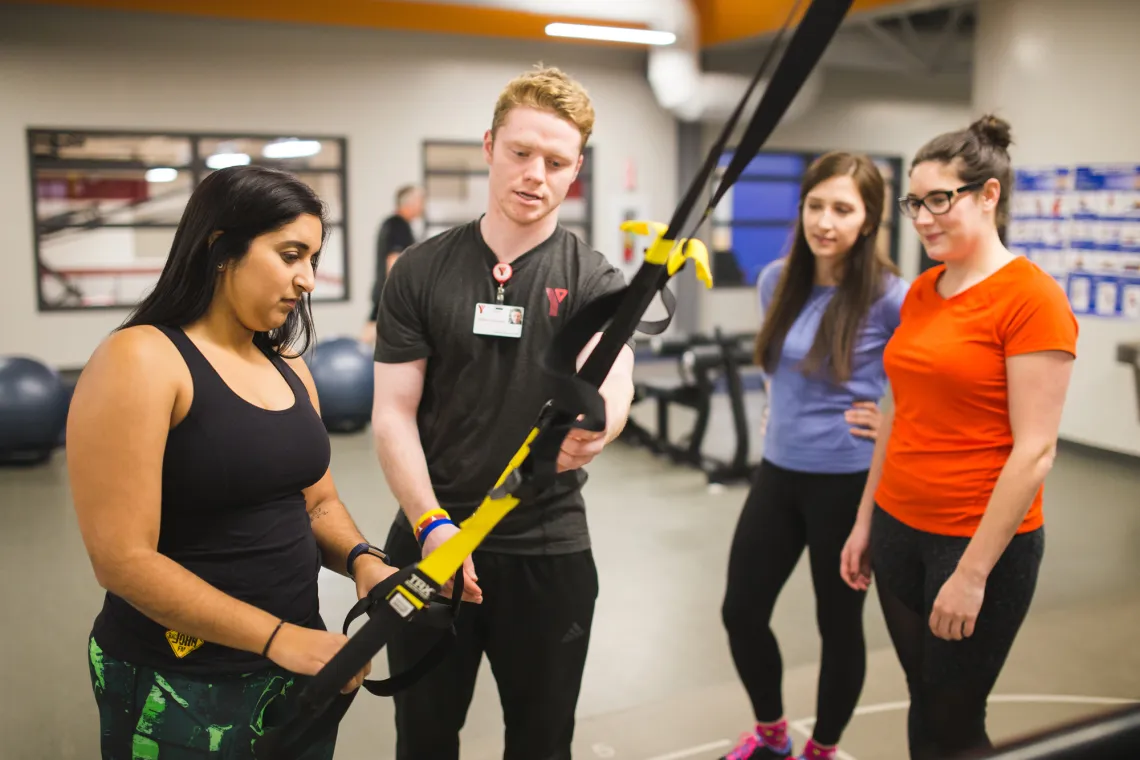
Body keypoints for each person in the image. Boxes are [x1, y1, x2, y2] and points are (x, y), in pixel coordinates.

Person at [67, 165, 396, 759]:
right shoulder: (142, 358)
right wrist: (276, 638)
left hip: (296, 666)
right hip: (180, 681)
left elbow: (317, 501)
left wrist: (362, 561)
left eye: (313, 259)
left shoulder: (287, 365)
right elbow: (122, 559)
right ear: (221, 248)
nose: (308, 280)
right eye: (291, 254)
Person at [371, 65, 635, 760]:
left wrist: (600, 421)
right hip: (433, 541)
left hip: (547, 551)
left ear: (575, 171)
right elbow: (393, 412)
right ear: (489, 146)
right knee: (423, 741)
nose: (534, 175)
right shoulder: (421, 272)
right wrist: (431, 526)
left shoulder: (592, 278)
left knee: (543, 743)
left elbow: (616, 376)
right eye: (521, 153)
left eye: (555, 161)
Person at [840, 116, 1078, 759]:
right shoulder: (923, 290)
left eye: (940, 199)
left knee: (953, 716)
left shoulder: (1032, 299)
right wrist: (866, 521)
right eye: (915, 202)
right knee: (926, 699)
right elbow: (897, 410)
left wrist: (973, 573)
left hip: (975, 545)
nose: (922, 217)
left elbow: (1035, 452)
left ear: (990, 195)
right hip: (897, 528)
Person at [720, 152, 909, 760]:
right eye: (816, 205)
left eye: (843, 209)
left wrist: (894, 428)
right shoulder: (777, 279)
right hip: (778, 473)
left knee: (839, 625)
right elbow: (782, 370)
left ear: (869, 219)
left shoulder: (891, 296)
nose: (826, 221)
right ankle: (772, 734)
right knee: (741, 610)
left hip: (846, 482)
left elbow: (924, 383)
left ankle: (822, 750)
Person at [361, 184, 424, 344]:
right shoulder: (398, 225)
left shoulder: (393, 224)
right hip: (388, 291)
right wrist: (398, 294)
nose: (423, 205)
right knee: (375, 333)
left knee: (373, 329)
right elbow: (393, 261)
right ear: (410, 203)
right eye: (420, 200)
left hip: (384, 291)